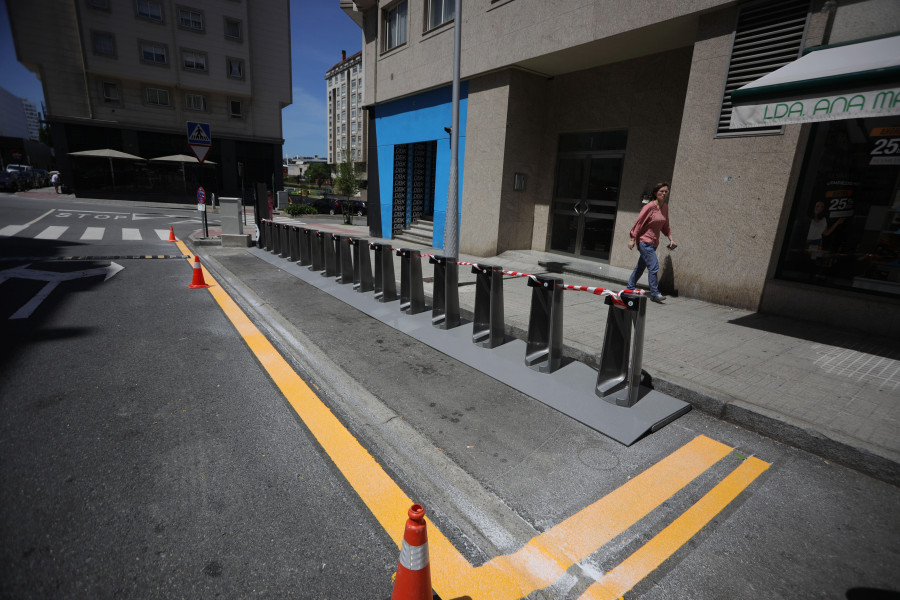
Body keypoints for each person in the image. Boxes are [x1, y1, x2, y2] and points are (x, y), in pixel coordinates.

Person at [627, 182, 676, 303]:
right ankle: (654, 293)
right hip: (644, 241)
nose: (664, 194)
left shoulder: (665, 207)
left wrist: (671, 239)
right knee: (654, 267)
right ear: (655, 193)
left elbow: (665, 225)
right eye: (662, 191)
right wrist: (632, 239)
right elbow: (639, 223)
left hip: (654, 243)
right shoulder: (649, 207)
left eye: (666, 191)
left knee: (640, 267)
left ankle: (629, 288)